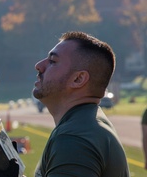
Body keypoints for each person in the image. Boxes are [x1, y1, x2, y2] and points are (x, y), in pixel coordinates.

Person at [31, 31, 129, 176]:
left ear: (78, 79)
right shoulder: (86, 123)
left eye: (52, 61)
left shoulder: (74, 138)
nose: (38, 66)